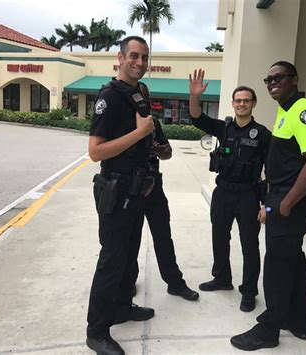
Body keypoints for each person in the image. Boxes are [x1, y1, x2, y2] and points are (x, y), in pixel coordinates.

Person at [230, 61, 306, 351]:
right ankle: (297, 321)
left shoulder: (303, 111)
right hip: (281, 198)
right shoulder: (285, 111)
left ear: (294, 79)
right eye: (268, 78)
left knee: (276, 266)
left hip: (290, 201)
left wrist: (286, 203)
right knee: (291, 260)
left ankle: (268, 331)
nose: (272, 82)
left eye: (278, 77)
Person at [86, 36, 156, 355]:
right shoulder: (110, 97)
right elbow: (95, 152)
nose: (140, 63)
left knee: (129, 256)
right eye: (134, 56)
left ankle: (122, 307)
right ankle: (97, 330)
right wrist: (140, 134)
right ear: (120, 57)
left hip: (136, 190)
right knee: (112, 260)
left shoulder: (138, 95)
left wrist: (151, 149)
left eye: (144, 57)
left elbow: (138, 144)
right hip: (115, 193)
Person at [189, 69, 271, 312]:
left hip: (248, 195)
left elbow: (271, 172)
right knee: (219, 237)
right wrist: (194, 96)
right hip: (223, 192)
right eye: (238, 100)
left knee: (249, 245)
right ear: (232, 104)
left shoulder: (263, 135)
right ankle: (222, 279)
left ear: (253, 103)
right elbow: (197, 118)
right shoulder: (224, 128)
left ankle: (249, 292)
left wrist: (266, 204)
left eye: (246, 100)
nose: (242, 104)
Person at [135, 114, 199, 301]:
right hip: (131, 189)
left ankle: (175, 283)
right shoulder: (122, 117)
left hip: (154, 186)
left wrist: (158, 149)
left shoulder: (152, 122)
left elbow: (168, 152)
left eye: (146, 98)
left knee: (163, 236)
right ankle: (128, 281)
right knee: (130, 240)